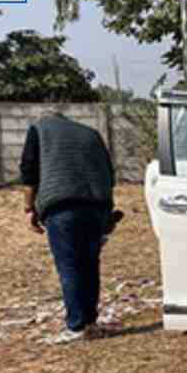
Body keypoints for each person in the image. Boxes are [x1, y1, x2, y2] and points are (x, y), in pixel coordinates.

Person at [20, 111, 116, 344]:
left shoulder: (39, 129)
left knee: (69, 266)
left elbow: (29, 171)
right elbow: (110, 174)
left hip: (61, 206)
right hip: (97, 205)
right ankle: (91, 321)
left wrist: (29, 209)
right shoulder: (91, 133)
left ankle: (76, 325)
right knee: (90, 264)